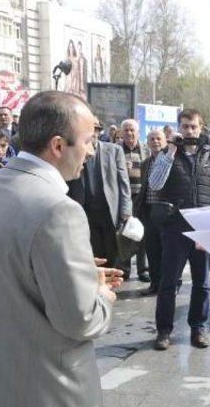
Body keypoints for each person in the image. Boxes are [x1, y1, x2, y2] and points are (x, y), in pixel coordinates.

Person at [0, 90, 123, 407]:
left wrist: (69, 268)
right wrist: (101, 293)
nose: (92, 151)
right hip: (45, 394)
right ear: (59, 146)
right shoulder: (59, 210)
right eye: (88, 141)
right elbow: (80, 319)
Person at [148, 108, 210, 350]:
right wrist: (170, 151)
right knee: (168, 282)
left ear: (201, 129)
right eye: (185, 126)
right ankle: (164, 331)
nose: (189, 131)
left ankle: (198, 328)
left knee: (202, 283)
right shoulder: (167, 153)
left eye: (193, 127)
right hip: (175, 229)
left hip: (202, 228)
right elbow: (155, 182)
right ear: (179, 128)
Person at [67, 118, 133, 276]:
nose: (92, 134)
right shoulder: (76, 150)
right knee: (92, 250)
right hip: (85, 209)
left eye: (95, 130)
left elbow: (124, 183)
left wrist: (126, 210)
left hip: (110, 210)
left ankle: (112, 279)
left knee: (112, 250)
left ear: (98, 132)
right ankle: (97, 280)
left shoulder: (114, 150)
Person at [134, 129, 167, 296]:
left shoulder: (171, 160)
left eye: (158, 138)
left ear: (165, 141)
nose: (155, 142)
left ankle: (168, 285)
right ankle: (155, 284)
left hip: (165, 212)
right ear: (147, 142)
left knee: (167, 252)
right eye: (152, 139)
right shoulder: (146, 162)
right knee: (152, 250)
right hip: (148, 212)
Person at [120, 119, 150, 280]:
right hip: (124, 196)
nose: (129, 133)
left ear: (138, 132)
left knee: (143, 232)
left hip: (142, 196)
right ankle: (124, 268)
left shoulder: (146, 148)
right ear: (121, 132)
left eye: (132, 130)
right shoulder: (116, 149)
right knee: (124, 232)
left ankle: (143, 269)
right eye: (126, 130)